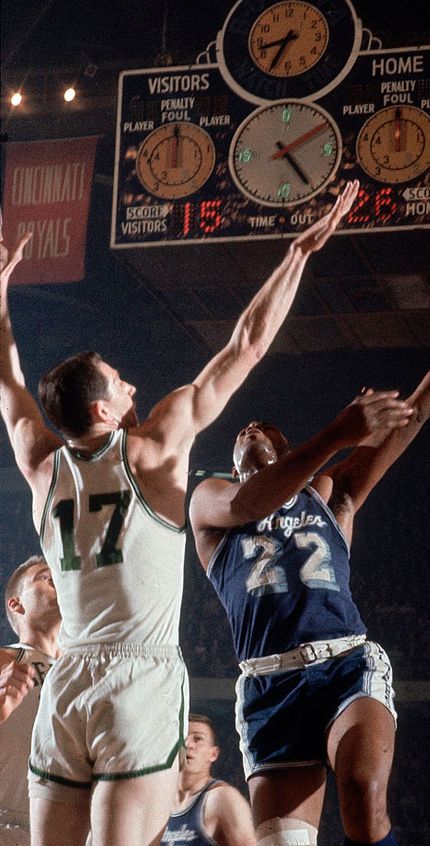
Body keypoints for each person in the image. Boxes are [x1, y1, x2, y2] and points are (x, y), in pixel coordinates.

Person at [0, 181, 360, 846]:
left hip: (69, 679)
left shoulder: (39, 463)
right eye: (119, 381)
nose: (133, 384)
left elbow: (8, 383)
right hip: (138, 678)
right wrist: (300, 252)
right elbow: (245, 344)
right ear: (104, 411)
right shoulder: (156, 448)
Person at [189, 274, 430, 846]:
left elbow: (418, 411)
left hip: (343, 664)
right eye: (242, 431)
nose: (250, 428)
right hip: (267, 686)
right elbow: (254, 499)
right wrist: (335, 433)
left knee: (360, 790)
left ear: (286, 449)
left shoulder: (331, 494)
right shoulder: (212, 503)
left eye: (265, 429)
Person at [0, 555, 62, 846]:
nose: (57, 582)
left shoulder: (87, 672)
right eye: (44, 578)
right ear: (16, 603)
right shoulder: (4, 660)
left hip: (70, 830)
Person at [161, 713, 256, 846]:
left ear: (213, 754)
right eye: (182, 738)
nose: (188, 745)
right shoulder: (160, 803)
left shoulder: (223, 798)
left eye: (198, 739)